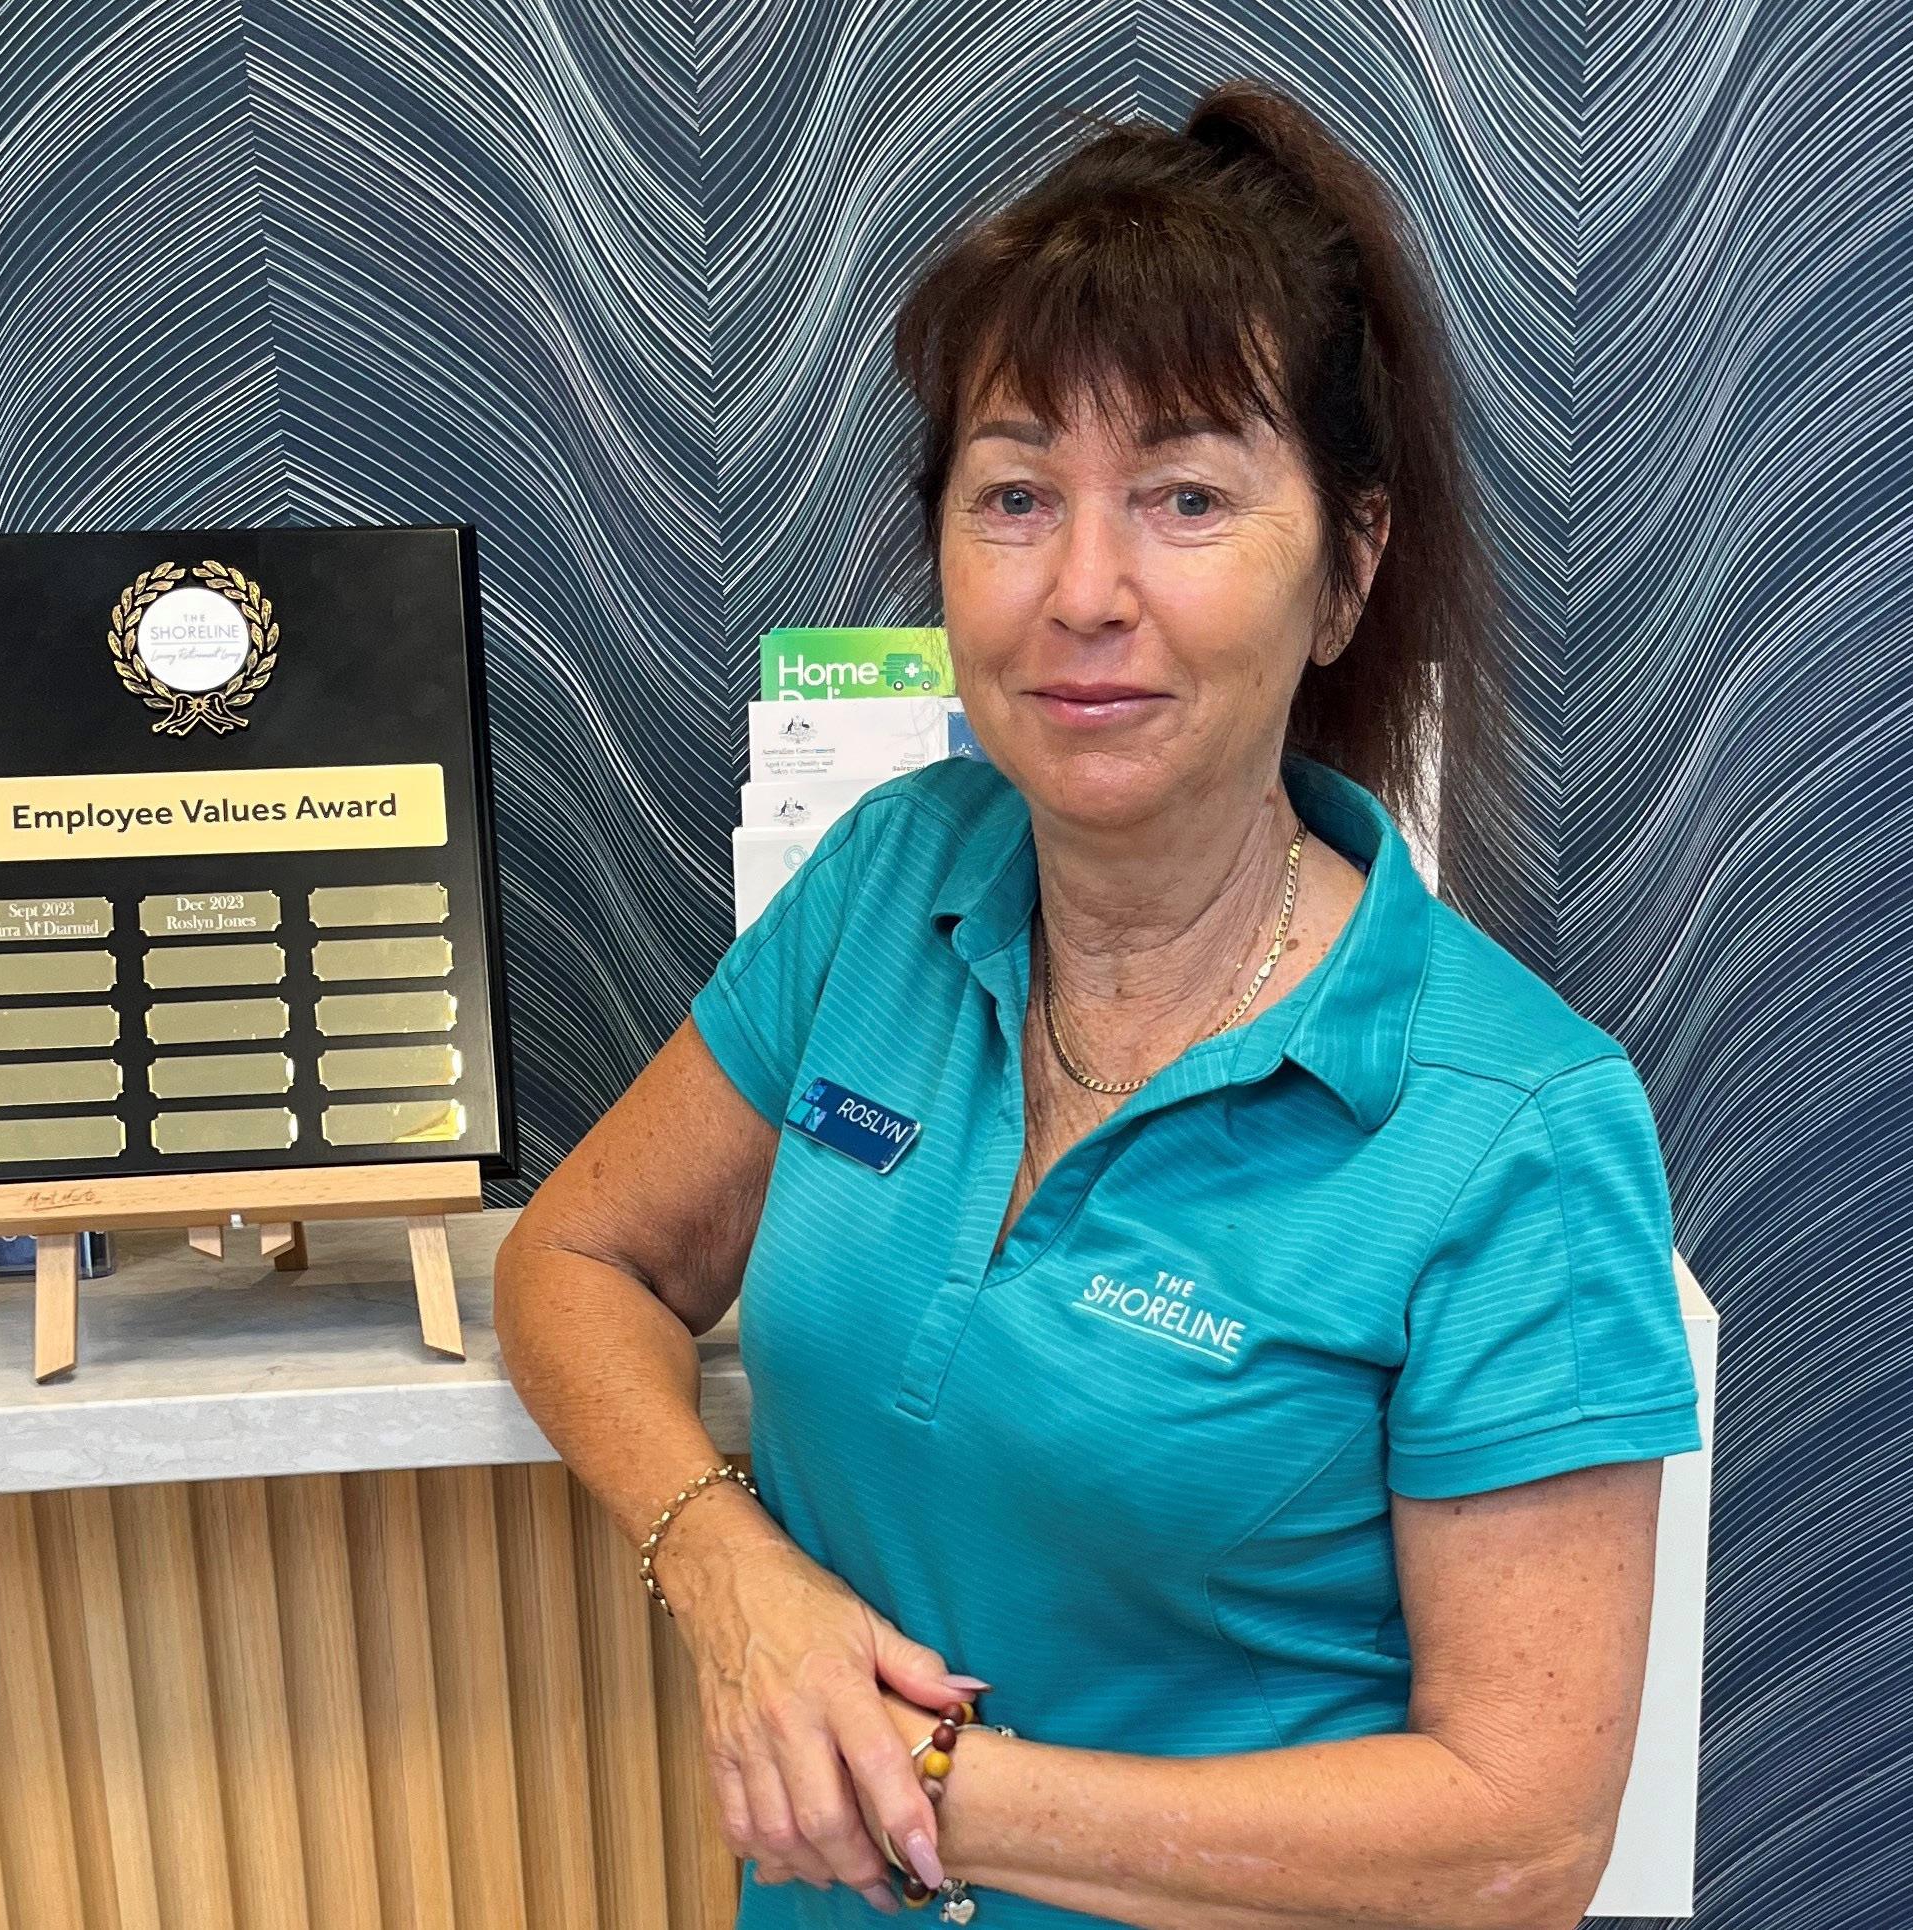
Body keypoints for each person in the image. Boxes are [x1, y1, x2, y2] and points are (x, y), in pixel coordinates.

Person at [496, 76, 1702, 1930]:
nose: (1082, 590)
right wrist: (730, 1574)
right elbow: (574, 1261)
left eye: (1185, 497)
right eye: (1014, 495)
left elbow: (1516, 1841)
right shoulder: (887, 883)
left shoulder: (1515, 1127)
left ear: (1348, 567)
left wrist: (932, 1793)